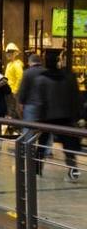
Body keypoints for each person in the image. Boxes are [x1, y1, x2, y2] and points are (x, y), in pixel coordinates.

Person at [35, 49, 83, 181]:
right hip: (65, 116)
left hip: (47, 117)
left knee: (42, 144)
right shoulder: (68, 77)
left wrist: (37, 119)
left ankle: (37, 169)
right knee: (68, 146)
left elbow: (39, 101)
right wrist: (77, 115)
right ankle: (74, 171)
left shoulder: (42, 79)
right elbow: (76, 97)